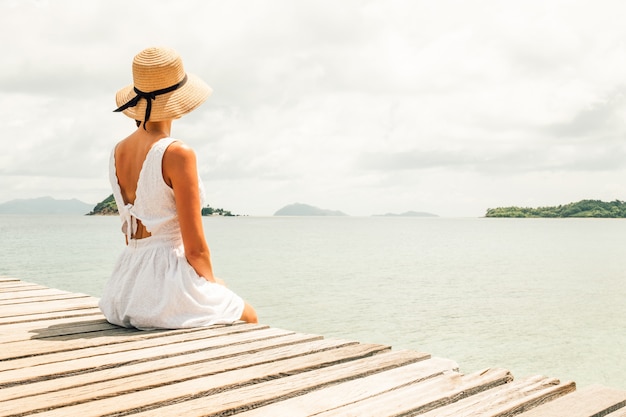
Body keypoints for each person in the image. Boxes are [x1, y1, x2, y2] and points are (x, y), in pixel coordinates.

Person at [99, 46, 257, 329]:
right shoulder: (177, 153)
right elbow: (195, 249)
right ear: (177, 102)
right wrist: (212, 283)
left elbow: (130, 235)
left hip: (123, 289)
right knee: (248, 315)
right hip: (164, 291)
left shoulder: (117, 152)